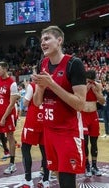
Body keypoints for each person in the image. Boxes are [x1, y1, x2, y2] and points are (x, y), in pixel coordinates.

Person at [32, 25, 86, 188]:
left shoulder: (74, 64)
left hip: (68, 132)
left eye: (47, 38)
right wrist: (40, 88)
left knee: (67, 180)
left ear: (59, 40)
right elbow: (36, 102)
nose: (43, 42)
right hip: (49, 130)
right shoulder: (43, 63)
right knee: (57, 176)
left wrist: (52, 84)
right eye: (41, 40)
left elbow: (80, 104)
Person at [14, 82, 49, 188]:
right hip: (46, 120)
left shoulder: (32, 85)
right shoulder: (51, 83)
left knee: (25, 148)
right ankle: (46, 181)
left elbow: (25, 103)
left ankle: (28, 180)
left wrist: (26, 89)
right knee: (45, 152)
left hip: (33, 120)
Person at [82, 70, 105, 177]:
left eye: (91, 81)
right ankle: (86, 165)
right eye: (88, 81)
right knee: (85, 142)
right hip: (83, 116)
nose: (90, 83)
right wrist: (85, 90)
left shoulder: (98, 85)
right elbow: (78, 99)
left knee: (94, 142)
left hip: (93, 116)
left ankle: (94, 166)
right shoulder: (82, 85)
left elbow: (102, 101)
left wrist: (96, 92)